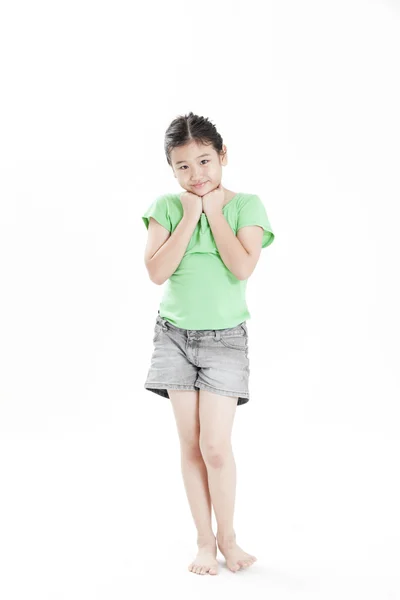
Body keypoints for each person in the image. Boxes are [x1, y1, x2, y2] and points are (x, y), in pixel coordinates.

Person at [141, 112, 275, 575]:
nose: (196, 174)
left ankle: (229, 539)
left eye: (204, 161)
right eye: (183, 166)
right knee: (192, 445)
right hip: (174, 337)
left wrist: (214, 213)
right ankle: (203, 541)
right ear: (172, 170)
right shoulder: (167, 206)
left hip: (224, 342)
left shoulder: (246, 206)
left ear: (222, 156)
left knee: (216, 446)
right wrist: (190, 216)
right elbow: (157, 271)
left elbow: (242, 267)